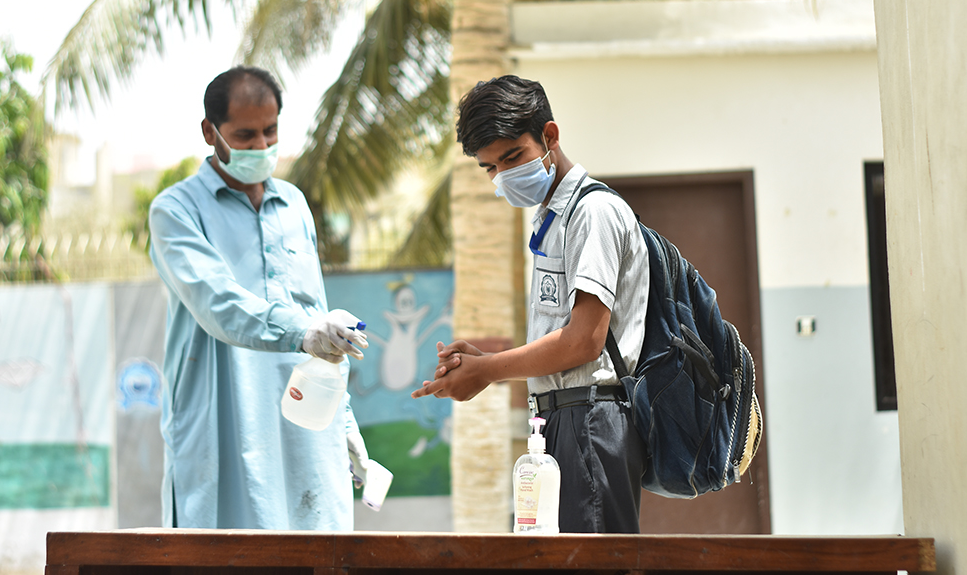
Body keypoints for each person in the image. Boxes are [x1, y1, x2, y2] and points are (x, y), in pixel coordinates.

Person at [412, 75, 649, 533]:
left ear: (550, 136)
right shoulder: (551, 218)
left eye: (512, 157)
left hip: (591, 422)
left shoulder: (593, 212)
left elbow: (584, 341)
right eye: (489, 168)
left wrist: (487, 370)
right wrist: (484, 362)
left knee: (591, 563)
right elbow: (561, 342)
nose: (503, 176)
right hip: (559, 421)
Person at [149, 65, 371, 530]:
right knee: (226, 551)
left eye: (270, 131)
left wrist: (345, 418)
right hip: (224, 423)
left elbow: (315, 310)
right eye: (245, 135)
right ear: (210, 132)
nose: (261, 146)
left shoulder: (294, 203)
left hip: (307, 422)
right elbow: (217, 302)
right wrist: (304, 331)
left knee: (319, 549)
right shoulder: (175, 210)